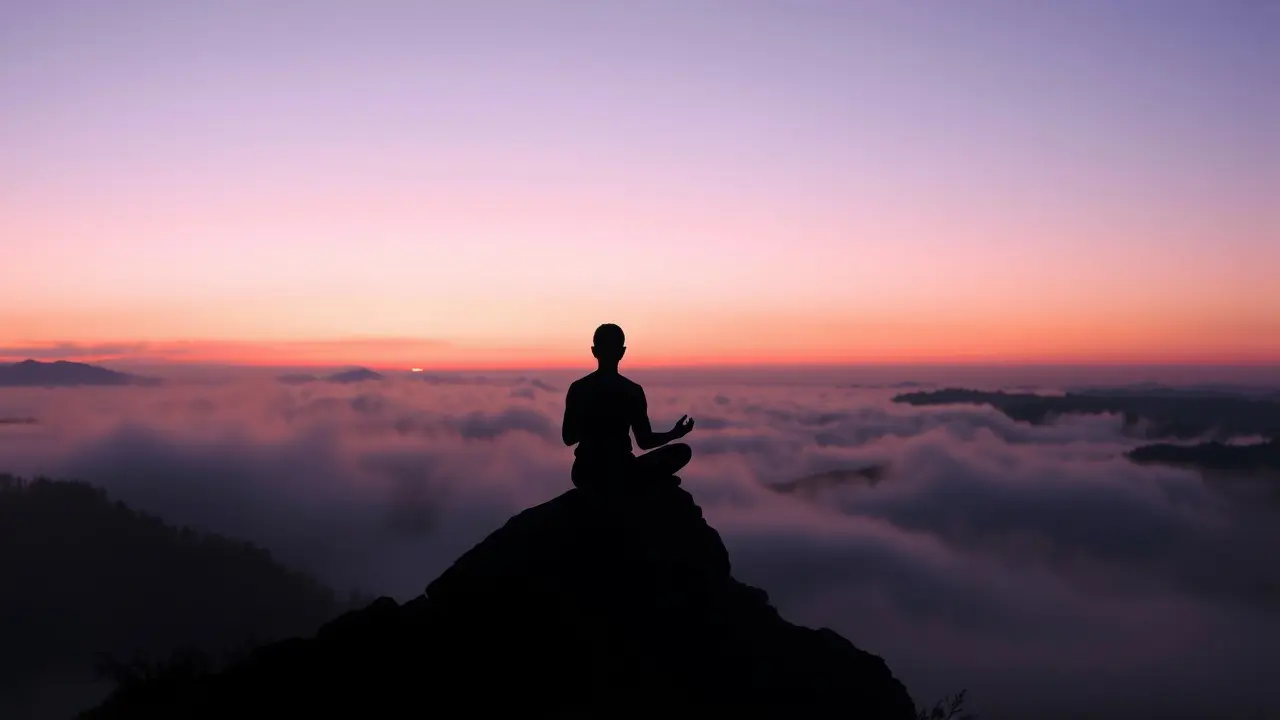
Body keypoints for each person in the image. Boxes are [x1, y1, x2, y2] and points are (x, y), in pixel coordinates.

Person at [562, 324, 695, 489]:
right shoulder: (632, 391)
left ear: (594, 351)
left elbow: (568, 438)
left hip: (586, 472)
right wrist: (674, 434)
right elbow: (644, 442)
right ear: (622, 352)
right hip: (621, 469)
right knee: (681, 452)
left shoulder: (579, 388)